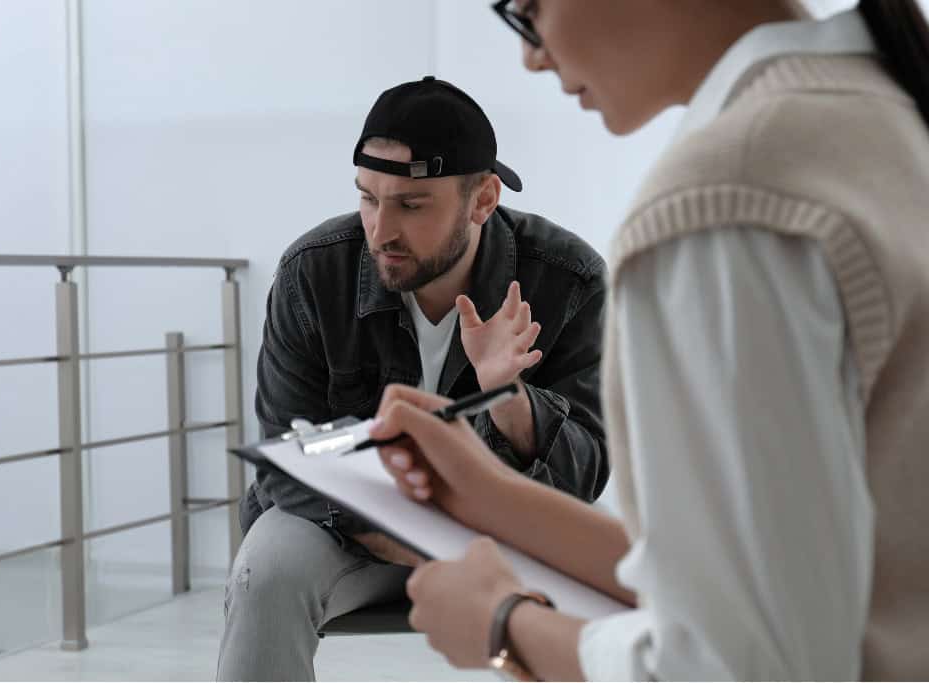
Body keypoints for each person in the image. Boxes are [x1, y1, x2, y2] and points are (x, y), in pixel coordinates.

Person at [371, 0, 929, 679]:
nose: (531, 54)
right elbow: (771, 574)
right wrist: (490, 494)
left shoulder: (721, 205)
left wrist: (500, 625)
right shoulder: (876, 110)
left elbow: (740, 665)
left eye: (528, 10)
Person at [216, 75, 609, 681]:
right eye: (368, 198)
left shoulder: (568, 278)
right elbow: (284, 465)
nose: (380, 230)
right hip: (346, 530)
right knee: (263, 571)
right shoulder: (313, 274)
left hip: (506, 537)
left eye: (411, 204)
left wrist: (510, 396)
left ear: (482, 200)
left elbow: (583, 480)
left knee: (595, 596)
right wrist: (420, 543)